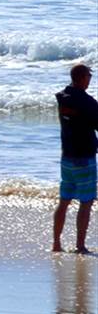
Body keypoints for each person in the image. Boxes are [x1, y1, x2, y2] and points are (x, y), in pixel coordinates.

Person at [54, 63, 96, 255]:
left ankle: (56, 243)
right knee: (86, 202)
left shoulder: (63, 98)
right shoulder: (87, 102)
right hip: (84, 158)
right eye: (89, 76)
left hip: (67, 157)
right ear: (82, 78)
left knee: (64, 201)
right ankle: (80, 245)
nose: (90, 80)